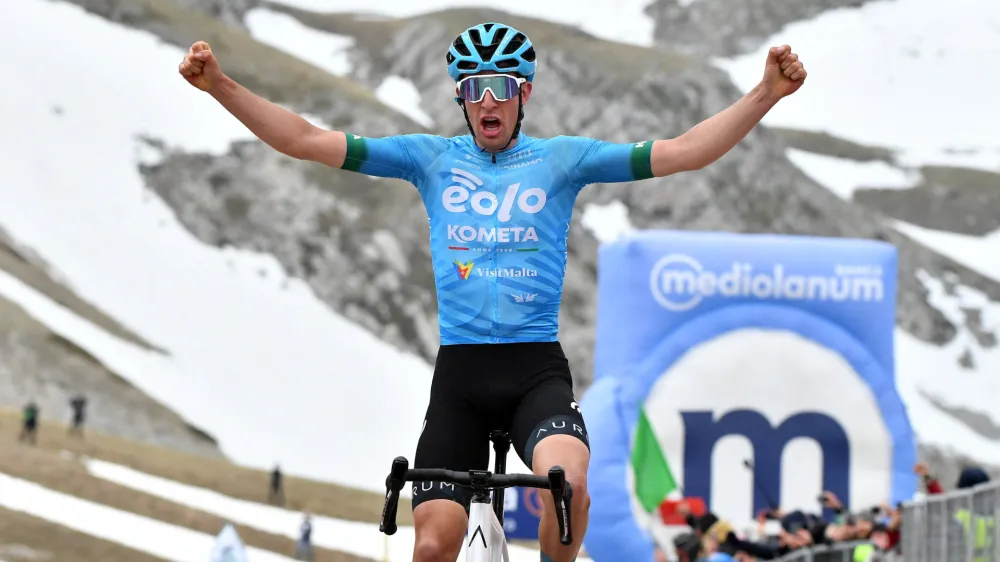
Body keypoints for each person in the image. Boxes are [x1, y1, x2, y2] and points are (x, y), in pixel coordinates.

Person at [177, 21, 806, 562]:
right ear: (460, 97)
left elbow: (683, 152)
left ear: (523, 93)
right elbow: (306, 140)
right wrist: (219, 85)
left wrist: (766, 93)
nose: (487, 101)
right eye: (473, 88)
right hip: (461, 379)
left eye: (500, 87)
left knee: (568, 487)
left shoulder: (563, 159)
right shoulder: (429, 158)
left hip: (536, 372)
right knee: (431, 547)